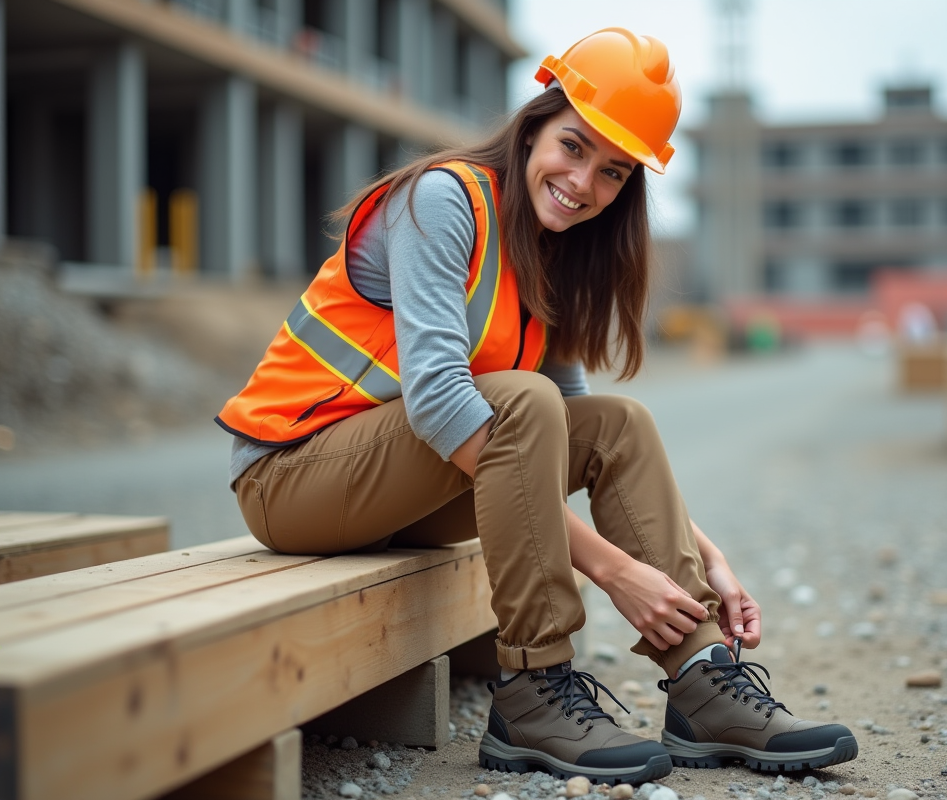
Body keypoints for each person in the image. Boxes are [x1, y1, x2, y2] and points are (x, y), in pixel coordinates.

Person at [217, 27, 858, 785]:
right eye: (574, 146)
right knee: (521, 402)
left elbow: (575, 439)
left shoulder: (551, 253)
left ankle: (703, 679)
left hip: (398, 488)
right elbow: (439, 402)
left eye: (614, 172)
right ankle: (533, 690)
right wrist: (615, 571)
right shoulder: (442, 201)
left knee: (619, 423)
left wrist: (706, 558)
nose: (585, 183)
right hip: (290, 477)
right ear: (532, 127)